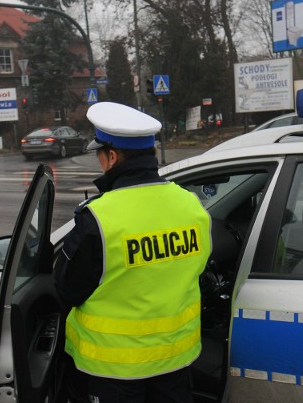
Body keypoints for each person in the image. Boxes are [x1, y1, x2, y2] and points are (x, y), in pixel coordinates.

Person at [54, 102, 212, 403]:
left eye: (100, 156)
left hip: (114, 372)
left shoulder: (99, 218)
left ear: (112, 157)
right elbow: (198, 268)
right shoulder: (191, 205)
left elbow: (68, 288)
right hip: (175, 361)